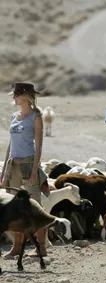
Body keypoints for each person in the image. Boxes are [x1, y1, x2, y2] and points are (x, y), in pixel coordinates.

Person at [0, 82, 50, 258]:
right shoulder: (15, 116)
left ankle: (41, 248)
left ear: (24, 96)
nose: (13, 98)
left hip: (28, 165)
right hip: (12, 167)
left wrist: (35, 171)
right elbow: (10, 145)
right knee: (13, 209)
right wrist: (4, 169)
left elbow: (39, 146)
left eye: (15, 95)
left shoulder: (36, 117)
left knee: (34, 207)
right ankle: (16, 248)